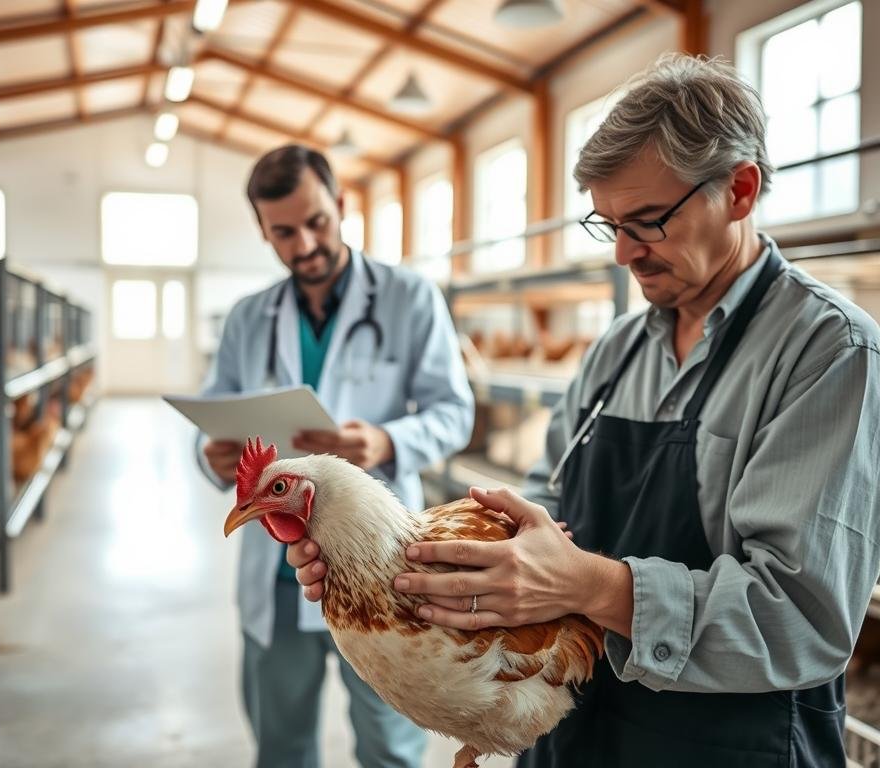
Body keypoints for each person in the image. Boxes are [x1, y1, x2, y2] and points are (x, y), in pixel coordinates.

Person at [289, 54, 880, 768]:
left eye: (649, 221)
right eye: (610, 225)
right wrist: (397, 568)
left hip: (729, 745)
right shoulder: (618, 350)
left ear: (741, 190)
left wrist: (587, 584)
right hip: (582, 733)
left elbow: (802, 619)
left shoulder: (827, 353)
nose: (626, 252)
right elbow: (545, 501)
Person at [197, 144, 475, 768]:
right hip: (278, 572)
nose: (304, 246)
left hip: (381, 573)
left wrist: (387, 441)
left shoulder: (410, 298)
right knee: (281, 746)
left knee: (390, 750)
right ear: (264, 232)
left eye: (317, 222)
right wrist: (210, 454)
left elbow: (455, 411)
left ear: (341, 206)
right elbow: (211, 414)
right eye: (284, 233)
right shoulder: (249, 318)